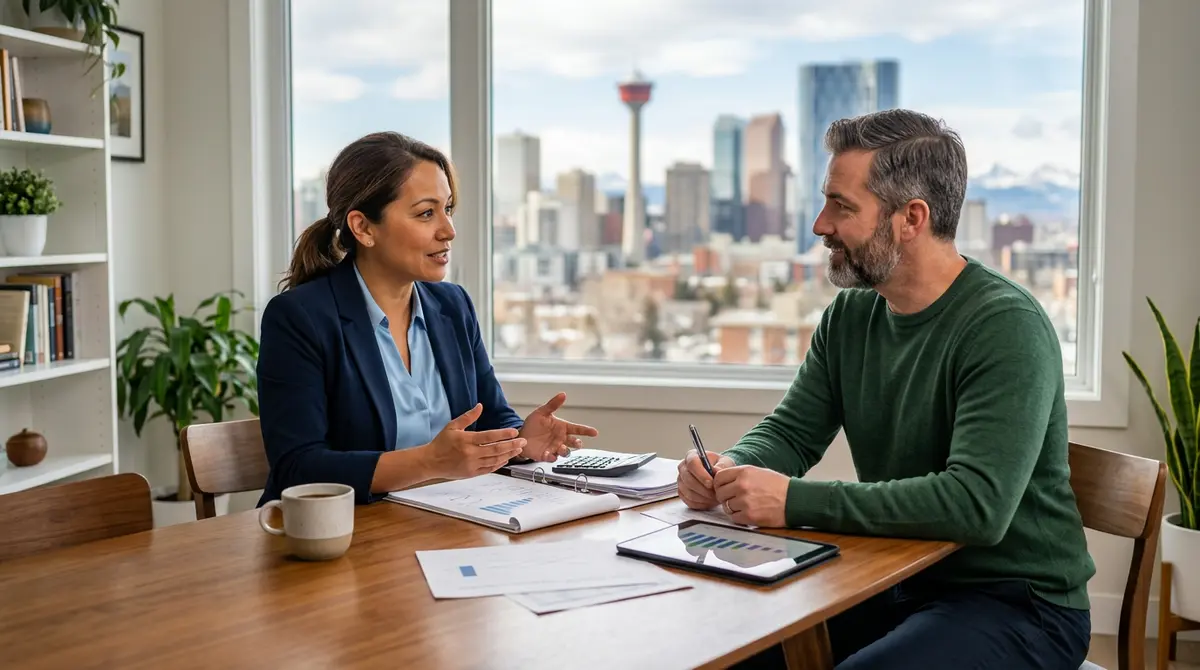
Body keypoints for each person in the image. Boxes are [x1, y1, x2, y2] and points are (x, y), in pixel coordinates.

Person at [676, 109, 1094, 669]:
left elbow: (976, 506)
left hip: (1018, 603)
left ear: (911, 218)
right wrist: (729, 467)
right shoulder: (851, 315)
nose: (821, 225)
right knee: (726, 650)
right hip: (895, 576)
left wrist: (792, 500)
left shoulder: (1005, 326)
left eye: (842, 206)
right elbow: (793, 432)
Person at [256, 131, 597, 506]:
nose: (448, 231)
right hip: (347, 535)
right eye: (425, 213)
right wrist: (428, 462)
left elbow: (488, 418)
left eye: (447, 209)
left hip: (446, 523)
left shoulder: (452, 305)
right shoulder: (299, 317)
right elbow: (297, 467)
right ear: (363, 228)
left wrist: (521, 442)